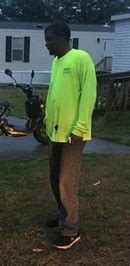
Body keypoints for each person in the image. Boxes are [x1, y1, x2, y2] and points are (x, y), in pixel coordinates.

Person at [43, 22, 97, 250]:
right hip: (56, 133)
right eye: (46, 39)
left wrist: (79, 127)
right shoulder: (56, 62)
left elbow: (89, 94)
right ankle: (62, 214)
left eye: (50, 39)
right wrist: (46, 121)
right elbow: (55, 95)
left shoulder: (81, 58)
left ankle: (70, 229)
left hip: (73, 134)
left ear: (64, 37)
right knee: (55, 178)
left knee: (67, 181)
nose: (47, 43)